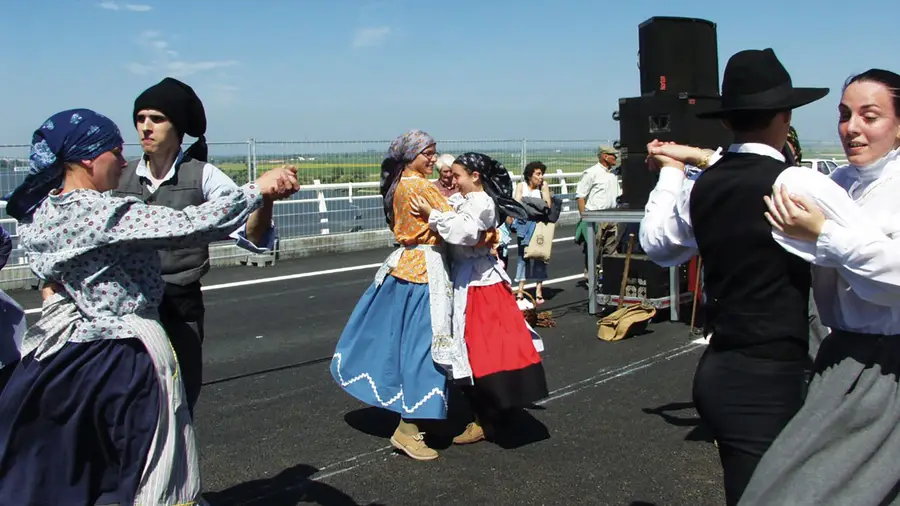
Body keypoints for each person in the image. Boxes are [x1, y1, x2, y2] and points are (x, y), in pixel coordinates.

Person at [0, 108, 298, 505]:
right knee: (151, 457)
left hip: (69, 355)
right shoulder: (98, 211)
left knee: (84, 460)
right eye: (115, 152)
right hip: (125, 355)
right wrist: (256, 190)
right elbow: (188, 226)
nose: (124, 161)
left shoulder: (45, 212)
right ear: (89, 158)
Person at [638, 48, 829, 505]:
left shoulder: (704, 188)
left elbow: (658, 247)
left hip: (724, 369)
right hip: (773, 375)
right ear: (785, 116)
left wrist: (671, 173)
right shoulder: (801, 185)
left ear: (726, 121)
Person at [737, 69, 900, 506]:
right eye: (845, 115)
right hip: (838, 356)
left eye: (870, 115)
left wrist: (825, 233)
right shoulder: (839, 183)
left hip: (887, 366)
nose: (852, 128)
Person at [111, 77, 279, 416]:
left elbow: (252, 234)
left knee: (178, 402)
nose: (145, 128)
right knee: (125, 406)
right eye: (140, 119)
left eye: (156, 119)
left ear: (178, 128)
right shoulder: (118, 176)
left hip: (179, 306)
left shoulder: (204, 176)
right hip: (123, 309)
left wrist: (265, 200)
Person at [329, 130, 470, 461]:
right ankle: (410, 429)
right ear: (412, 155)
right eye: (428, 153)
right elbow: (456, 225)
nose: (434, 158)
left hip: (404, 264)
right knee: (428, 348)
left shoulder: (398, 185)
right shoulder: (420, 187)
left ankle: (426, 418)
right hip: (427, 271)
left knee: (408, 343)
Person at [410, 152, 549, 444]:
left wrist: (431, 215)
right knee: (488, 346)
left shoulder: (482, 202)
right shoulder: (467, 200)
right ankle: (495, 410)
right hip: (473, 279)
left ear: (475, 176)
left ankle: (486, 417)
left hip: (478, 284)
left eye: (458, 175)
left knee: (480, 348)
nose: (454, 180)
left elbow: (464, 232)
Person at [575, 146, 621, 283]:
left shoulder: (613, 174)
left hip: (612, 217)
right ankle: (591, 279)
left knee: (611, 251)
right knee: (594, 251)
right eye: (614, 155)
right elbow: (580, 196)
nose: (616, 158)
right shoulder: (591, 173)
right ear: (605, 156)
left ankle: (609, 280)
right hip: (596, 218)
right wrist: (585, 218)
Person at [512, 161, 552, 304]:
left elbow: (547, 206)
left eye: (542, 174)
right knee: (522, 258)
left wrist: (527, 202)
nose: (541, 177)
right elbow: (517, 204)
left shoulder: (544, 186)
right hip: (524, 225)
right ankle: (520, 290)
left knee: (540, 257)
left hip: (539, 224)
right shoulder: (521, 186)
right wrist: (534, 205)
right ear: (530, 175)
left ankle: (539, 290)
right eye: (538, 174)